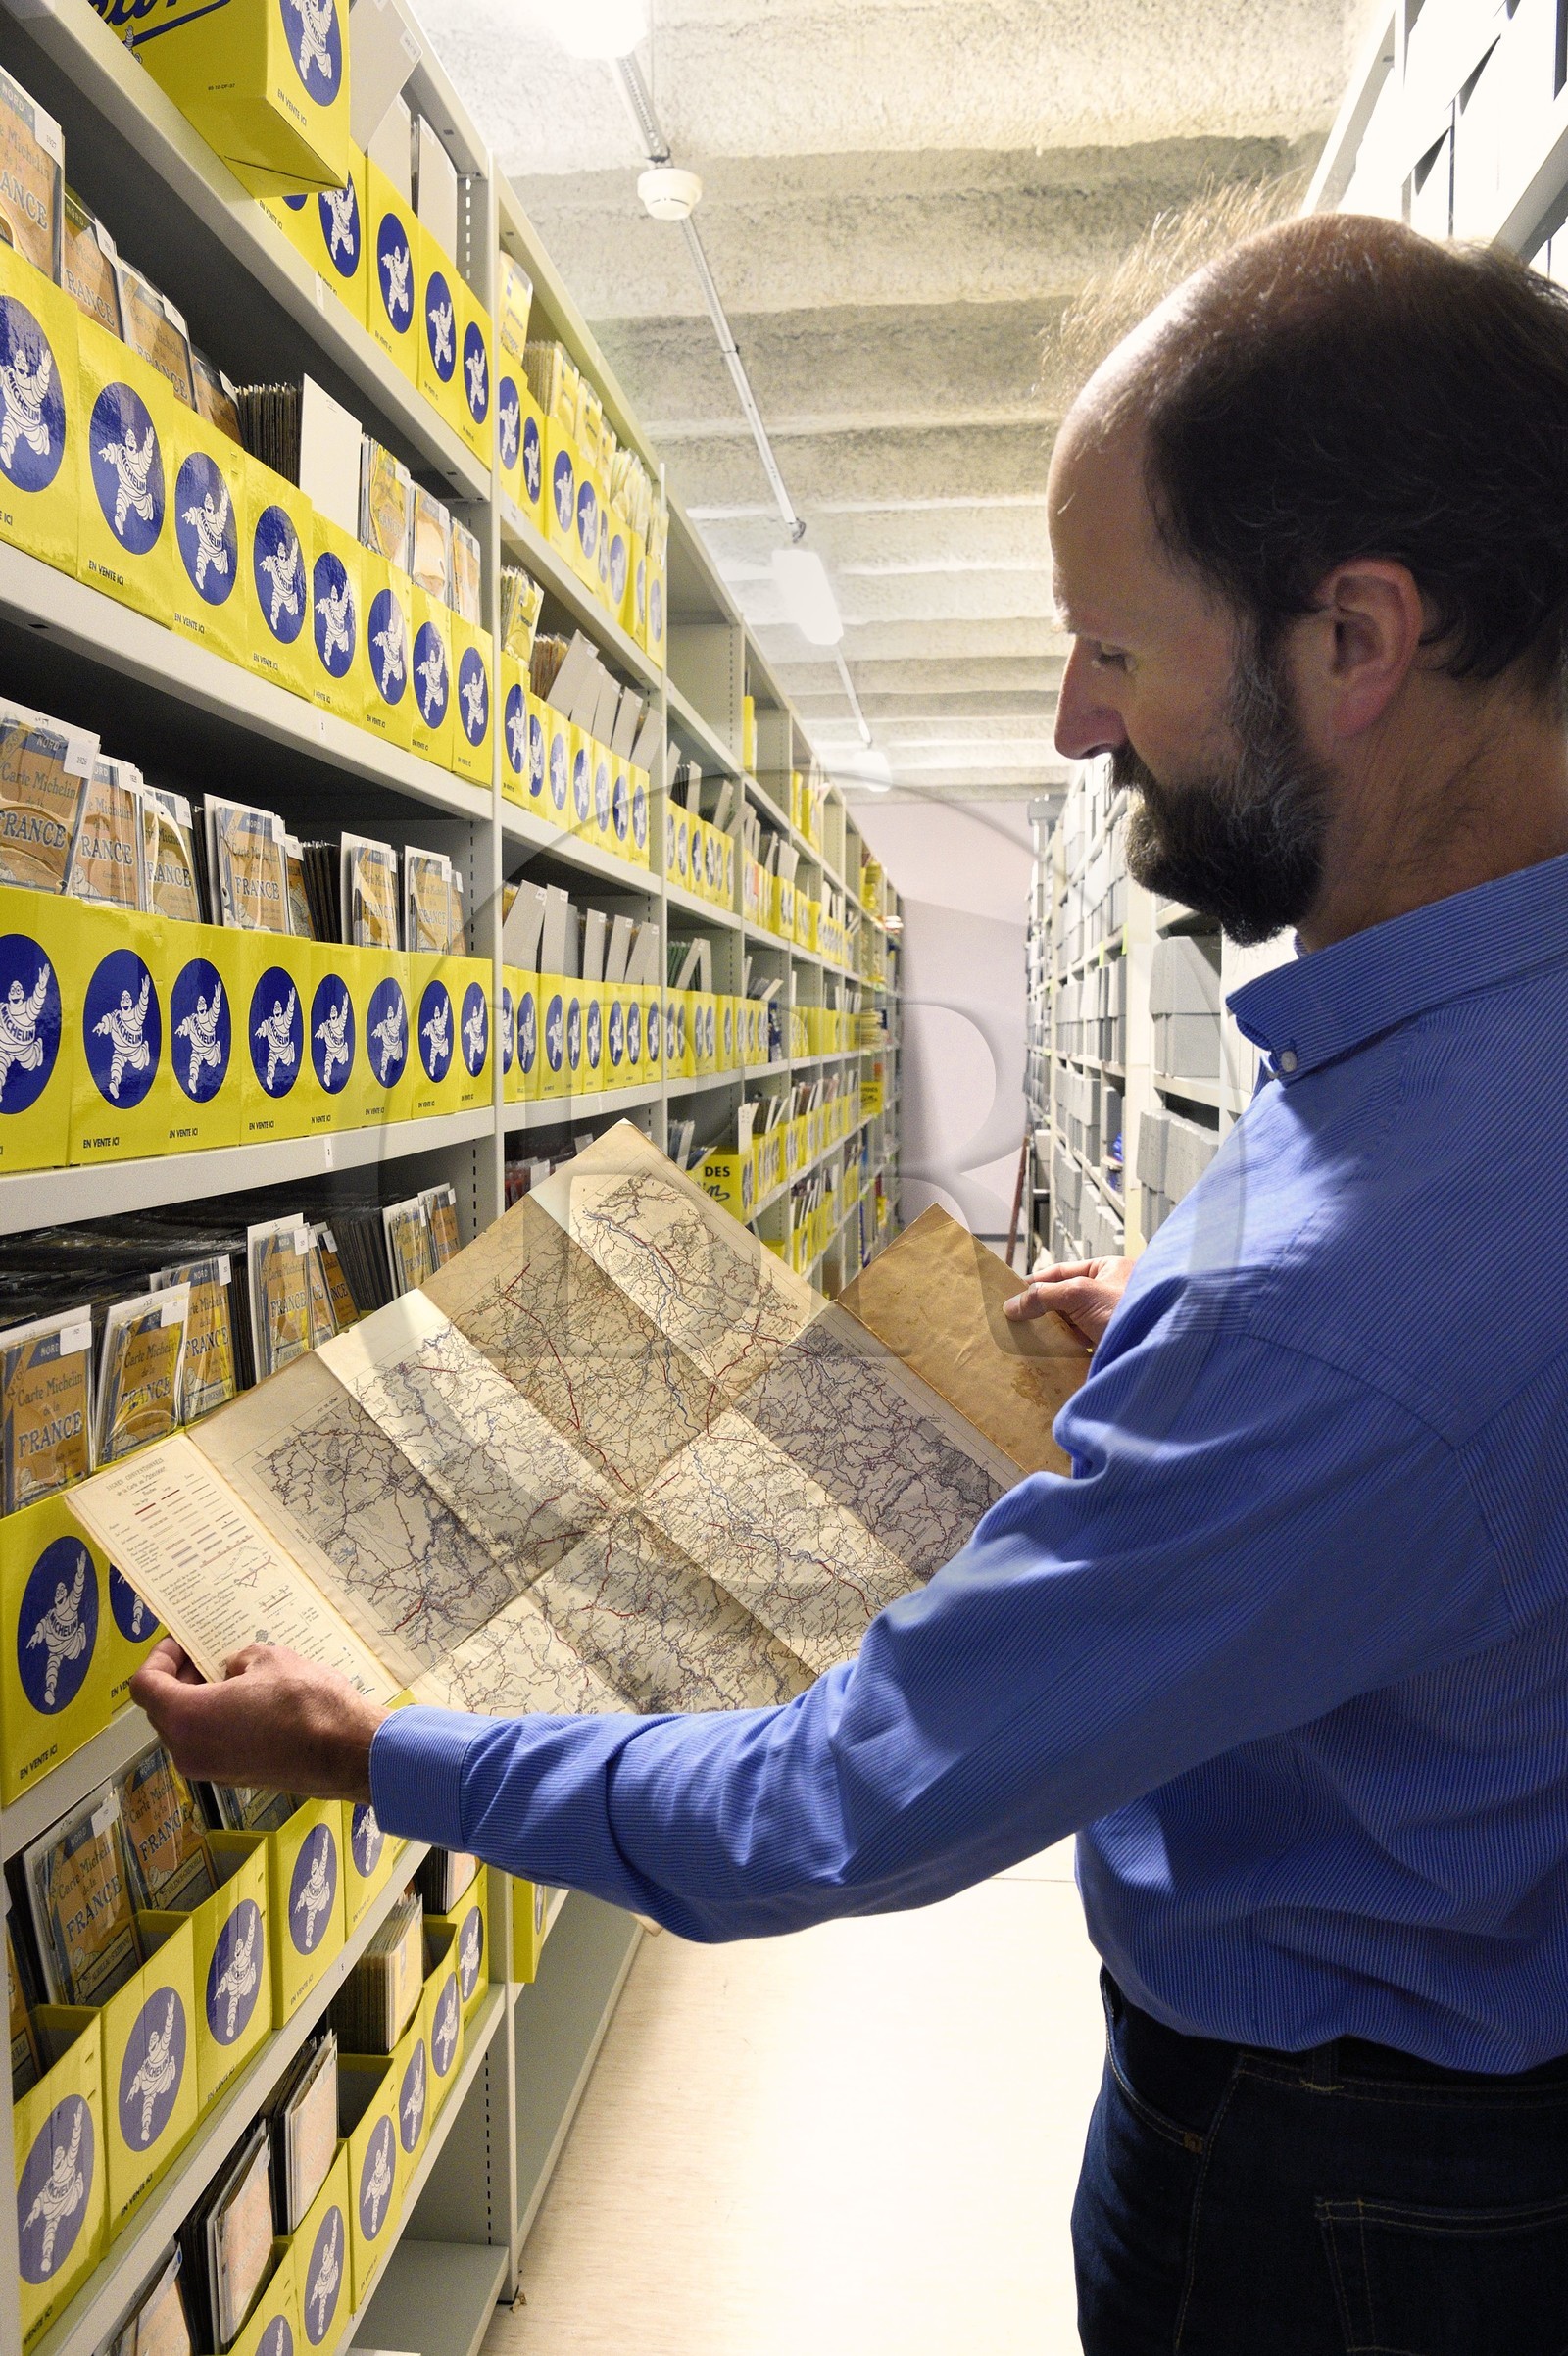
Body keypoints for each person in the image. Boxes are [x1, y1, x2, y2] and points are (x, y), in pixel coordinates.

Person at [135, 214, 1568, 2352]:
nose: (1082, 727)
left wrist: (371, 1748)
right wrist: (1189, 1389)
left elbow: (826, 1802)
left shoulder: (1340, 1311)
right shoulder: (1451, 1067)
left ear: (1350, 635)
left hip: (1342, 2197)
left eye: (1115, 646)